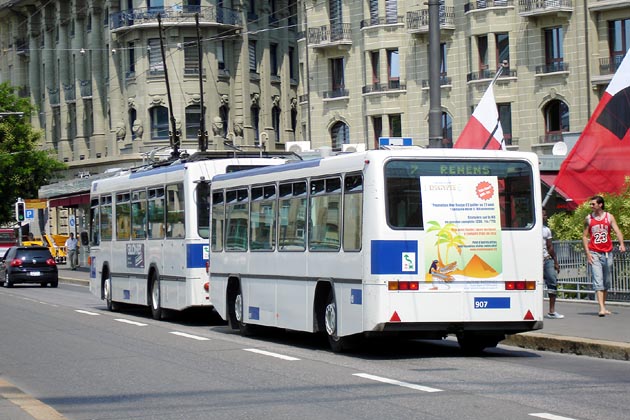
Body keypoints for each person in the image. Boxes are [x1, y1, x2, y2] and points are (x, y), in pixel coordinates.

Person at [582, 195, 626, 317]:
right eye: (590, 204)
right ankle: (601, 308)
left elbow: (617, 230)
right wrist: (588, 253)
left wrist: (621, 244)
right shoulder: (588, 219)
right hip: (594, 252)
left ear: (600, 205)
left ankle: (604, 306)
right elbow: (585, 236)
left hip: (607, 253)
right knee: (598, 280)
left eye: (593, 204)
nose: (591, 206)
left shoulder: (609, 217)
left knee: (606, 281)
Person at [542, 209, 563, 319]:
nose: (545, 217)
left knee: (552, 282)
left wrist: (555, 261)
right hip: (534, 261)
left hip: (546, 259)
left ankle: (552, 311)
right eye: (543, 214)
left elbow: (550, 247)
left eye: (545, 215)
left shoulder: (547, 230)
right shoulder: (529, 227)